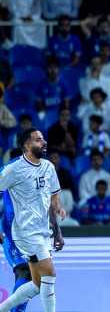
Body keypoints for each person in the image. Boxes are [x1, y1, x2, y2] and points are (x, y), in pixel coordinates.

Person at [0, 128, 65, 312]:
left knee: (37, 284)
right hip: (25, 232)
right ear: (26, 145)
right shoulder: (13, 169)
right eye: (38, 140)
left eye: (43, 139)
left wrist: (58, 231)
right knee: (50, 274)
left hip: (44, 232)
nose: (43, 142)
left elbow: (53, 198)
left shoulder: (48, 167)